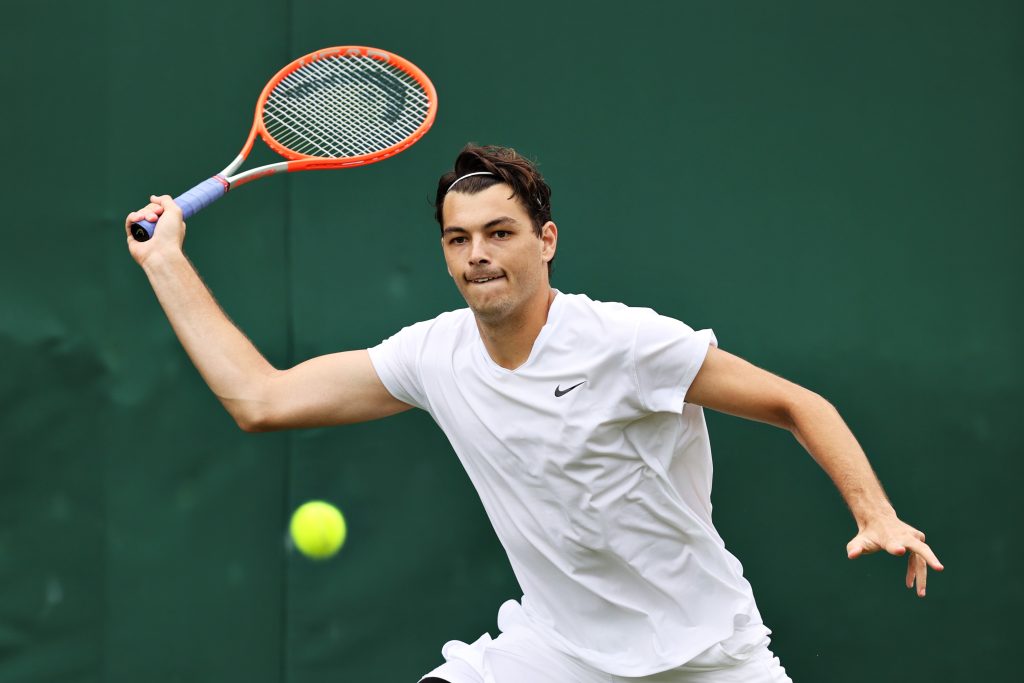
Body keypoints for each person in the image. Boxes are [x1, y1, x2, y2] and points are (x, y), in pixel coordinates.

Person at [125, 144, 942, 683]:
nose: (477, 253)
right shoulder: (432, 354)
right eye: (457, 238)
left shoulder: (625, 343)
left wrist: (876, 512)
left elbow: (797, 402)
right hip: (557, 650)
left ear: (544, 240)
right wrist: (165, 266)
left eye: (499, 232)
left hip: (703, 655)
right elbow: (261, 400)